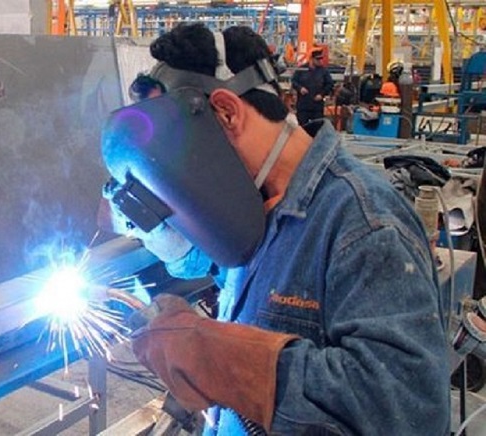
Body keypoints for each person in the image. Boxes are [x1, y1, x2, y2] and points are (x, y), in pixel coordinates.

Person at [100, 23, 449, 435]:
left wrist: (217, 356)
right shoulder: (252, 204)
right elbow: (216, 265)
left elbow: (406, 408)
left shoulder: (365, 223)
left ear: (226, 113)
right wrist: (160, 231)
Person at [291, 46, 334, 137]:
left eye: (321, 59)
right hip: (303, 104)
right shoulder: (302, 70)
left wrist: (322, 94)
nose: (320, 61)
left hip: (317, 105)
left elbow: (330, 84)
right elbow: (294, 81)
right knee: (302, 128)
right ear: (311, 59)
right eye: (318, 59)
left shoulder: (323, 71)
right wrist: (300, 88)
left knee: (317, 128)